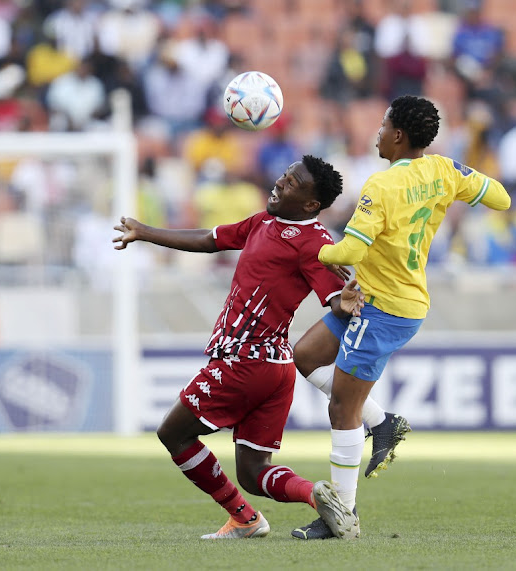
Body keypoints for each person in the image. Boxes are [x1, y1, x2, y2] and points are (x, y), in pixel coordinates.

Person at [291, 95, 511, 540]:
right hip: (374, 298)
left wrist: (309, 250)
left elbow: (350, 250)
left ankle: (342, 515)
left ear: (398, 135)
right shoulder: (445, 170)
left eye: (383, 124)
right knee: (306, 356)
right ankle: (383, 423)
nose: (377, 131)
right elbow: (502, 199)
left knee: (341, 409)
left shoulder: (381, 186)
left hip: (387, 309)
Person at [113, 155, 363, 540]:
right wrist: (145, 232)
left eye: (293, 183)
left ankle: (244, 518)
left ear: (312, 204)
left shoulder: (316, 243)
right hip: (274, 369)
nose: (280, 183)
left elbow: (337, 301)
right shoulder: (262, 222)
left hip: (245, 361)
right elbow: (210, 240)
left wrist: (343, 305)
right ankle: (315, 495)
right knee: (252, 470)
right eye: (284, 175)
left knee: (173, 433)